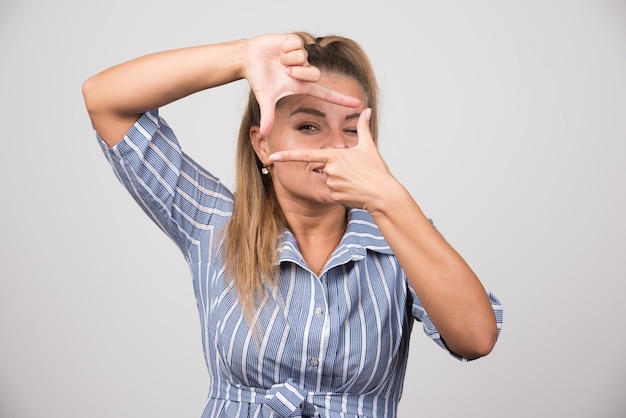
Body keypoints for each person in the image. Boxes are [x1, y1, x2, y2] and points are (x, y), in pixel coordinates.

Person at [82, 32, 503, 418]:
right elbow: (105, 99)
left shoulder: (397, 232)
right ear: (262, 144)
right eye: (308, 126)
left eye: (352, 130)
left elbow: (476, 337)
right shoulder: (214, 225)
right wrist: (241, 58)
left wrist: (387, 196)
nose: (336, 146)